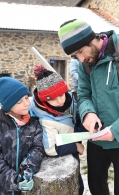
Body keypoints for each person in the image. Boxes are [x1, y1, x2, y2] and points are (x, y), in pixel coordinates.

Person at [58, 19, 119, 195]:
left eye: (80, 51)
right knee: (96, 188)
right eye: (74, 56)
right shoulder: (85, 64)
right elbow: (84, 95)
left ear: (93, 39)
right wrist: (88, 113)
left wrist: (118, 130)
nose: (81, 59)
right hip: (97, 138)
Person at [0, 77, 44, 195]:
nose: (26, 104)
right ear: (8, 106)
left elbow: (37, 148)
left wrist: (27, 169)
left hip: (18, 187)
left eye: (27, 98)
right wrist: (14, 180)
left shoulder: (34, 124)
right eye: (19, 102)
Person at [30, 64, 85, 195]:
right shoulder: (46, 120)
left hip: (72, 143)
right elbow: (51, 149)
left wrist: (83, 125)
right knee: (74, 186)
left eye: (61, 95)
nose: (60, 101)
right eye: (53, 99)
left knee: (79, 186)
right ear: (44, 100)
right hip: (63, 156)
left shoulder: (69, 100)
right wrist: (75, 146)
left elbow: (75, 115)